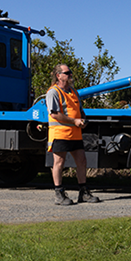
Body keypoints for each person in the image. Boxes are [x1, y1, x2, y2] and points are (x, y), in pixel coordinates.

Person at [46, 64, 100, 205]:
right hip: (60, 133)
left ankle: (83, 192)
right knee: (59, 163)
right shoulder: (53, 92)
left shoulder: (73, 92)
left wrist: (83, 119)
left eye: (70, 73)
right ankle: (59, 194)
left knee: (82, 161)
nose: (70, 75)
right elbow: (55, 114)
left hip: (75, 134)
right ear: (58, 75)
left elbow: (80, 110)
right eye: (67, 73)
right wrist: (74, 121)